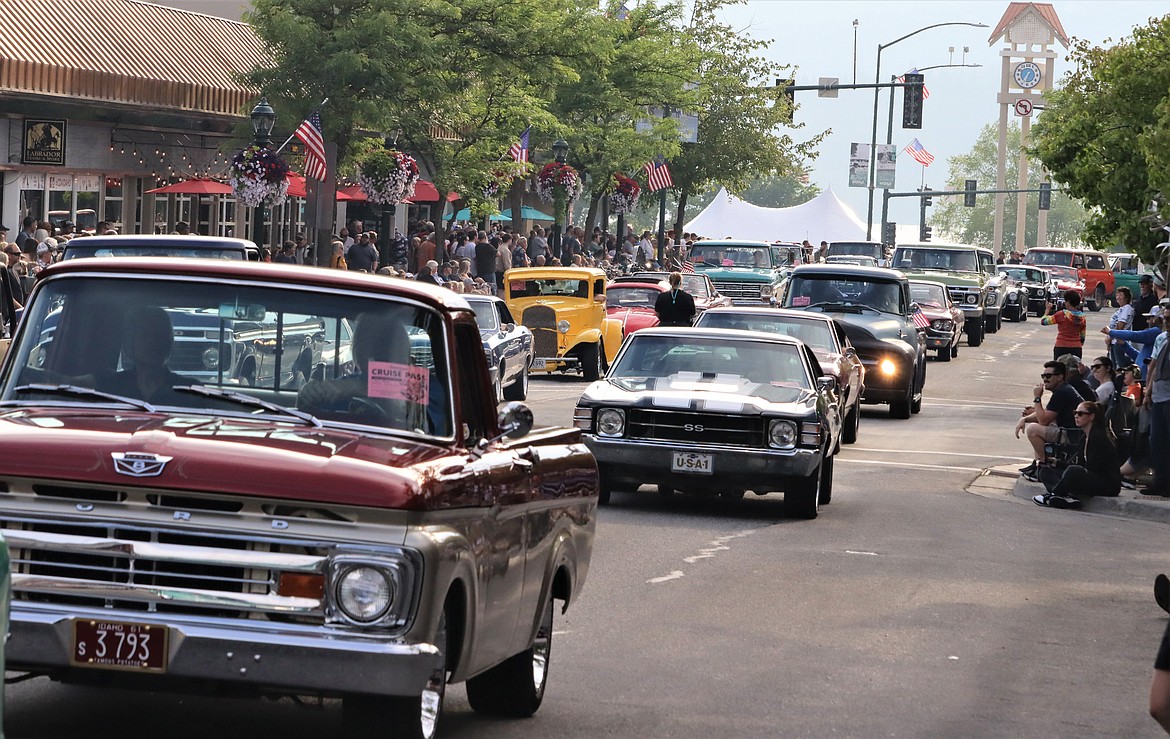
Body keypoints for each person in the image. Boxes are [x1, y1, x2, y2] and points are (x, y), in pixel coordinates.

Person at [1032, 400, 1120, 508]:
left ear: (1091, 417)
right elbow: (1081, 466)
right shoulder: (1084, 438)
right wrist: (1058, 463)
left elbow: (1091, 469)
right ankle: (1068, 498)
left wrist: (1072, 474)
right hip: (1089, 477)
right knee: (1045, 471)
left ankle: (1053, 495)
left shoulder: (1099, 437)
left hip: (1106, 484)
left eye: (1080, 413)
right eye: (1075, 413)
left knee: (1074, 471)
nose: (1076, 416)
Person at [1016, 360, 1083, 481]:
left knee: (1033, 429)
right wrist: (1025, 419)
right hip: (1071, 431)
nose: (1045, 379)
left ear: (1060, 377)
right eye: (1043, 376)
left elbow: (1043, 421)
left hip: (1072, 434)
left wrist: (1037, 398)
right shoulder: (1063, 389)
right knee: (1035, 425)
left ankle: (1043, 467)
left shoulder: (1062, 392)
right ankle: (1037, 464)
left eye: (1048, 376)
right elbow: (1046, 413)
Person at [1039, 290, 1086, 360]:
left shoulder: (1061, 314)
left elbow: (1044, 322)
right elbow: (1082, 337)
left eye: (1065, 301)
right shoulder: (1082, 318)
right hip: (1076, 347)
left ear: (1068, 302)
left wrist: (1047, 311)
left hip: (1061, 346)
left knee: (1058, 369)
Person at [1107, 286, 1135, 367]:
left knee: (1119, 364)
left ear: (1126, 298)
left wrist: (1110, 336)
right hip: (1114, 340)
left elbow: (1121, 324)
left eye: (1121, 295)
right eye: (1117, 295)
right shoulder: (1121, 308)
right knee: (1114, 364)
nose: (1118, 297)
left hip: (1119, 340)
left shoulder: (1127, 308)